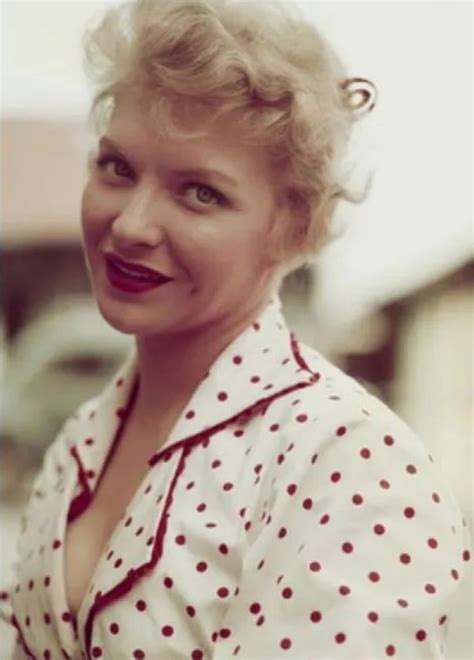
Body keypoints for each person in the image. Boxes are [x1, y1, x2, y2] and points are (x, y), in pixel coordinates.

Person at [2, 0, 471, 658]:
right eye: (118, 168)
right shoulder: (80, 442)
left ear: (292, 226)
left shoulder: (349, 464)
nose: (132, 224)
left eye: (200, 192)